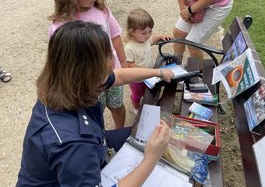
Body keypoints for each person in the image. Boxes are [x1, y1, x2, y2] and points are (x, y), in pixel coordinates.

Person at [16, 20, 173, 187]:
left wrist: (158, 72)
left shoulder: (62, 85)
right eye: (103, 75)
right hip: (82, 155)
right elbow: (78, 148)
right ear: (88, 75)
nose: (107, 79)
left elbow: (119, 76)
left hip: (95, 146)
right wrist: (150, 159)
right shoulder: (75, 144)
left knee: (149, 133)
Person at [48, 0, 128, 129]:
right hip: (88, 84)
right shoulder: (61, 26)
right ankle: (98, 140)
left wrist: (124, 63)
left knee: (117, 105)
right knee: (93, 113)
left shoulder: (102, 11)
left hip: (114, 73)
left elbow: (115, 36)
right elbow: (60, 63)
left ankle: (119, 133)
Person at [159, 0, 233, 67]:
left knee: (193, 42)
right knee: (178, 33)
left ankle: (197, 76)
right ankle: (176, 66)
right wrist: (184, 9)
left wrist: (190, 10)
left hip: (218, 5)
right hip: (198, 0)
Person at [124, 8, 173, 114]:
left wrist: (160, 36)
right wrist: (144, 71)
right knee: (137, 95)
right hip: (136, 79)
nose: (148, 35)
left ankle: (149, 103)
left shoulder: (145, 40)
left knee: (149, 90)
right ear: (132, 31)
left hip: (149, 74)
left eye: (150, 31)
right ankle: (136, 108)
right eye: (144, 32)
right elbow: (129, 65)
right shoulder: (129, 48)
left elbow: (152, 39)